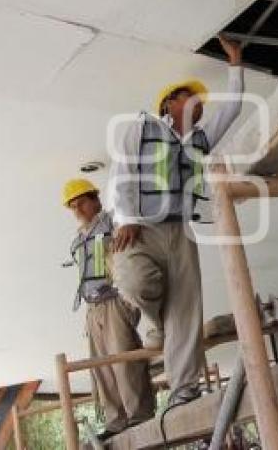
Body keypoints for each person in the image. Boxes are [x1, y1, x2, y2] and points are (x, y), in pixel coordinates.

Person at [110, 34, 245, 405]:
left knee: (186, 309)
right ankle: (156, 325)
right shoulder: (142, 128)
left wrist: (235, 65)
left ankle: (183, 389)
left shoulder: (201, 139)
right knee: (137, 282)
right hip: (141, 228)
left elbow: (232, 109)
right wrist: (125, 217)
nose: (199, 103)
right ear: (170, 102)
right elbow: (122, 172)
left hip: (181, 230)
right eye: (191, 96)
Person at [61, 178, 155, 440]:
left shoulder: (113, 222)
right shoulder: (77, 239)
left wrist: (127, 298)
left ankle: (139, 415)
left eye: (81, 203)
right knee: (102, 365)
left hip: (114, 300)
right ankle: (116, 420)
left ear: (95, 201)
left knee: (124, 358)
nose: (78, 211)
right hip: (92, 307)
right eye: (73, 207)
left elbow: (132, 249)